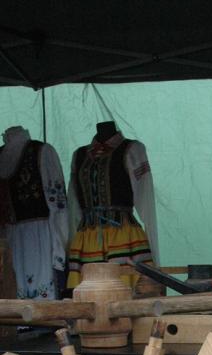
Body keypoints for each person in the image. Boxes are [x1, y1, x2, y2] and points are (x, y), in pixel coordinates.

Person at [66, 121, 159, 289]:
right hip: (87, 238)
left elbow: (145, 196)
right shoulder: (79, 155)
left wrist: (151, 237)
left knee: (125, 291)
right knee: (88, 293)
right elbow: (73, 204)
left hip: (123, 235)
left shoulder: (132, 149)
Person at [0, 126, 68, 299]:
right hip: (7, 239)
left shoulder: (42, 152)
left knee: (40, 286)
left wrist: (60, 245)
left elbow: (58, 203)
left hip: (40, 236)